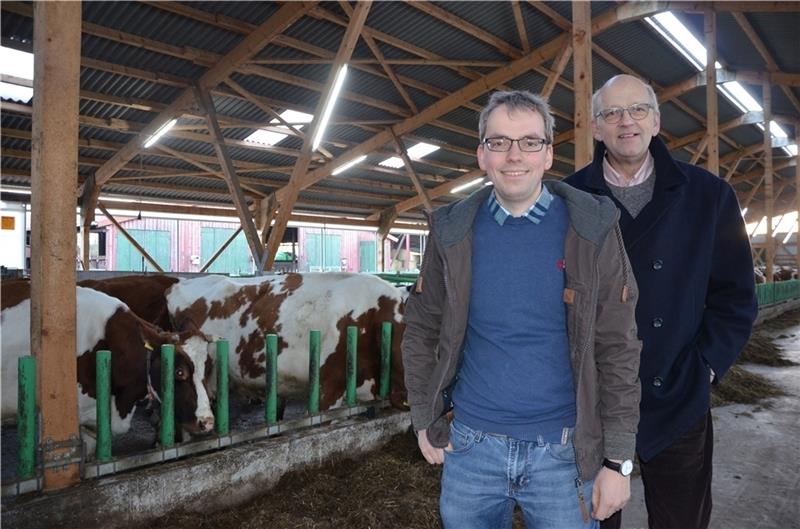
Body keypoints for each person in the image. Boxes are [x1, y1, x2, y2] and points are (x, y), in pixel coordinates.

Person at [402, 90, 642, 529]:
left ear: (549, 155)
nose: (515, 155)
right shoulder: (452, 232)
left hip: (564, 453)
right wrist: (424, 415)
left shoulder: (591, 230)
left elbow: (619, 348)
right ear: (481, 155)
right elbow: (421, 328)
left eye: (530, 142)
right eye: (499, 142)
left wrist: (618, 460)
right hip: (471, 449)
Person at [566, 74, 758, 529]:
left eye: (637, 110)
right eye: (611, 113)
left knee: (680, 519)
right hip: (592, 397)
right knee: (591, 519)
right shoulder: (570, 198)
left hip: (676, 388)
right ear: (595, 128)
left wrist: (705, 367)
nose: (625, 121)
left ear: (656, 121)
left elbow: (735, 296)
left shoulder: (709, 196)